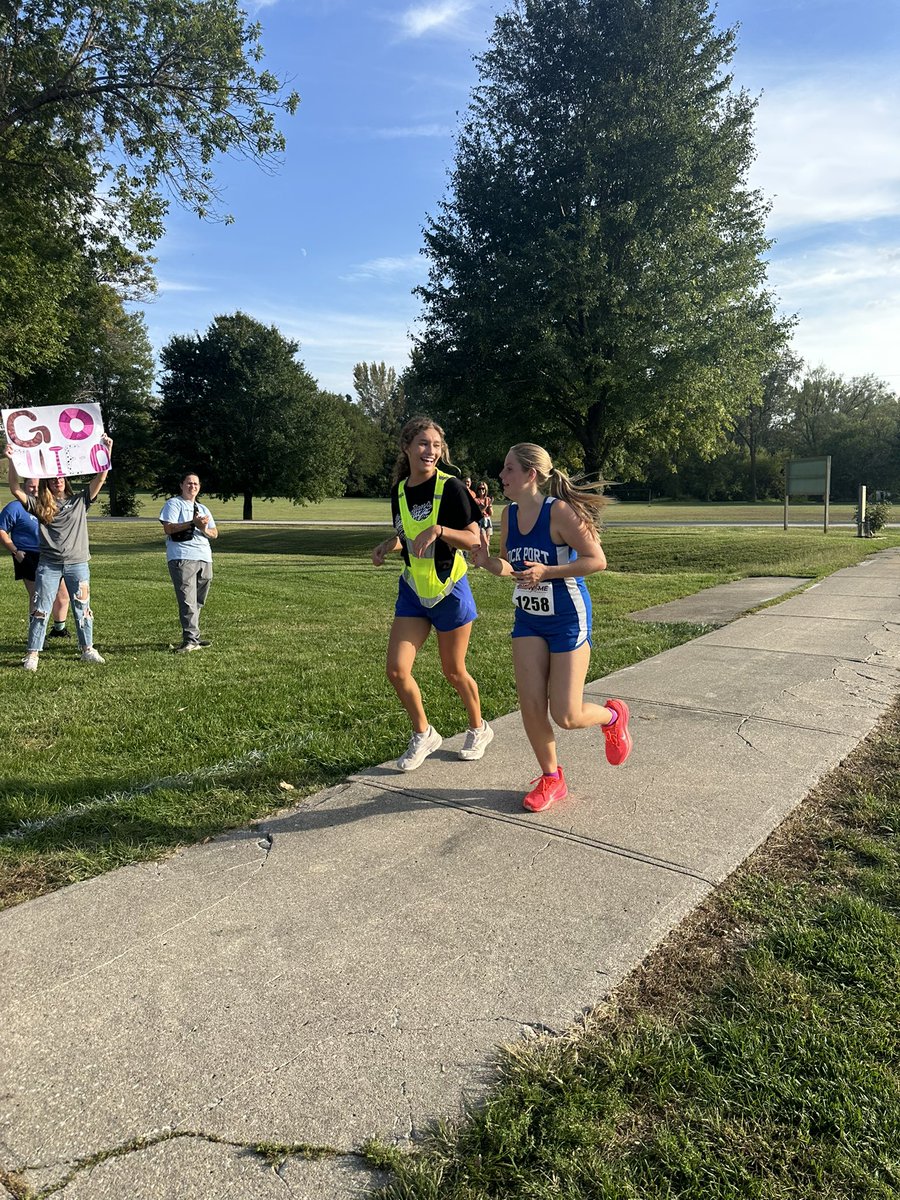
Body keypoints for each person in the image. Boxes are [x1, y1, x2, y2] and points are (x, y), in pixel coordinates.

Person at [471, 442, 632, 812]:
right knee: (530, 705)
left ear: (530, 474)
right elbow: (511, 566)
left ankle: (613, 716)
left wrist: (548, 571)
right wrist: (487, 562)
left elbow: (597, 560)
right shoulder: (510, 514)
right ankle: (552, 778)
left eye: (509, 468)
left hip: (567, 618)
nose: (501, 475)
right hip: (529, 619)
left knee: (566, 715)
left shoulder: (558, 512)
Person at [371, 416, 493, 770]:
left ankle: (479, 728)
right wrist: (388, 545)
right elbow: (409, 536)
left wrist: (440, 530)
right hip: (413, 590)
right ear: (406, 447)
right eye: (424, 444)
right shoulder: (399, 491)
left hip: (449, 589)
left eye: (436, 445)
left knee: (453, 671)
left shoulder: (451, 487)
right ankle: (424, 734)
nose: (431, 451)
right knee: (397, 670)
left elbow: (473, 539)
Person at [5, 438, 113, 671]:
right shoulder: (39, 505)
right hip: (49, 565)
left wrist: (106, 450)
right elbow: (15, 488)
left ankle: (87, 649)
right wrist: (12, 459)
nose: (58, 481)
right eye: (53, 478)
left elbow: (100, 478)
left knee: (83, 608)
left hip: (78, 564)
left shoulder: (80, 501)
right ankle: (33, 654)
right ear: (47, 483)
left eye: (61, 477)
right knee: (40, 608)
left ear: (66, 480)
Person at [0, 478, 70, 637]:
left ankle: (59, 629)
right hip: (27, 555)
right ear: (23, 486)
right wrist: (15, 551)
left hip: (51, 554)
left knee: (62, 593)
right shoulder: (15, 507)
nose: (35, 489)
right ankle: (37, 634)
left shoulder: (50, 504)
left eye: (38, 486)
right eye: (31, 486)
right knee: (37, 595)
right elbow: (1, 530)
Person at [159, 473, 218, 653]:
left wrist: (203, 528)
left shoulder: (203, 508)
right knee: (187, 600)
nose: (192, 486)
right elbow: (168, 528)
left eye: (196, 484)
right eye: (189, 483)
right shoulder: (173, 504)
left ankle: (194, 637)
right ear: (181, 485)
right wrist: (192, 523)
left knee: (198, 600)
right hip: (182, 556)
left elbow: (214, 533)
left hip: (204, 557)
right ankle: (190, 640)